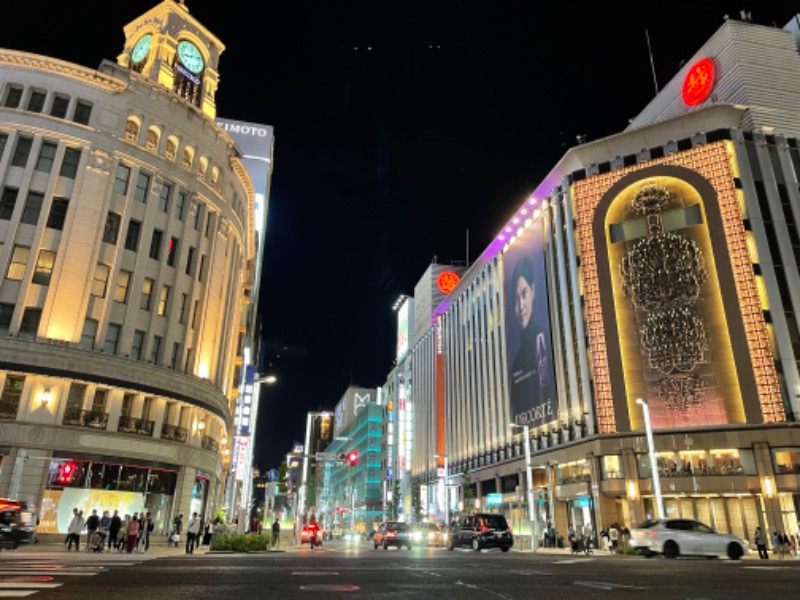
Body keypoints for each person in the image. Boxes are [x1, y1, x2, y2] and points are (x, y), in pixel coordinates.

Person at [507, 253, 555, 424]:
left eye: (524, 293)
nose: (521, 307)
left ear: (533, 291)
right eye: (515, 299)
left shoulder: (547, 340)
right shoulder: (516, 364)